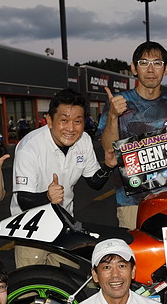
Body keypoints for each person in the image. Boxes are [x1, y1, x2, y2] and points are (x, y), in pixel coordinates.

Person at [10, 88, 111, 268]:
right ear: (49, 120)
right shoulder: (29, 147)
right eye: (64, 120)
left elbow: (94, 182)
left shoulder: (84, 140)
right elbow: (23, 199)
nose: (71, 128)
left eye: (77, 121)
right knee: (33, 282)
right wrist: (47, 197)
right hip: (30, 231)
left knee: (70, 281)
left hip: (64, 227)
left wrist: (108, 166)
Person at [98, 41, 167, 229]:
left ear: (166, 69)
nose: (150, 69)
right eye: (144, 63)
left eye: (157, 63)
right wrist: (113, 116)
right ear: (133, 68)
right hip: (131, 202)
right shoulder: (118, 104)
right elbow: (108, 150)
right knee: (137, 248)